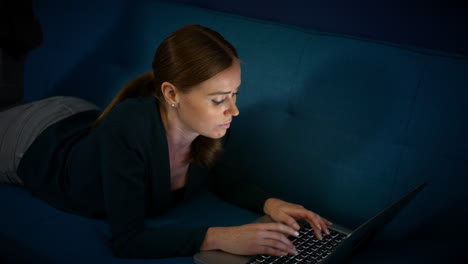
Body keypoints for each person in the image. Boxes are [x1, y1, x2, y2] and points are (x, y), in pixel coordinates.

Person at [0, 24, 331, 259]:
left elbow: (217, 174)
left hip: (81, 116)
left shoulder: (214, 125)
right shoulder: (128, 130)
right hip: (31, 139)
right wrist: (221, 237)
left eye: (235, 94)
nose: (234, 109)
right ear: (172, 94)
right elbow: (127, 242)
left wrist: (270, 203)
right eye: (219, 99)